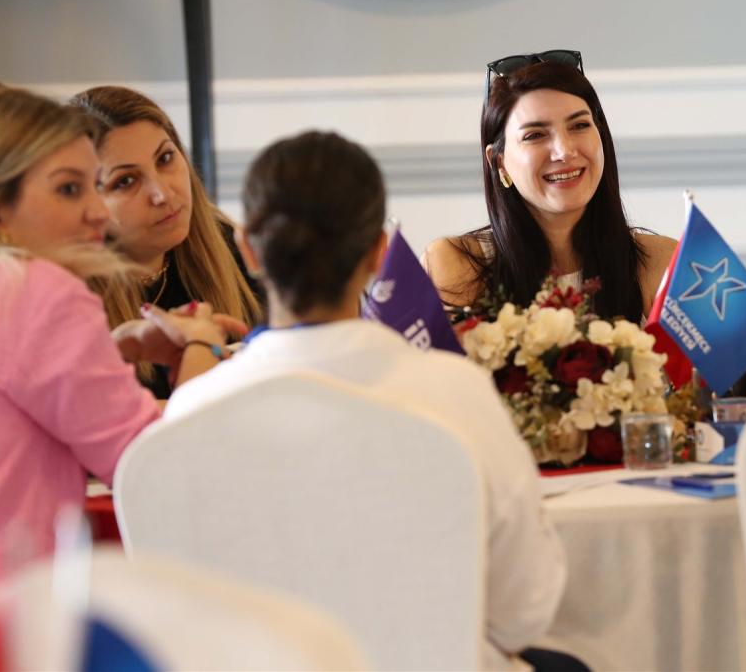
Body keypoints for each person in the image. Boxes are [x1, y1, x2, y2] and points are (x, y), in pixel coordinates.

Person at [164, 131, 568, 670]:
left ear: (248, 249)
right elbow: (526, 610)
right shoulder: (455, 392)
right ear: (379, 253)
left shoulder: (189, 414)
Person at [0, 86, 241, 582]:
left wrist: (108, 351)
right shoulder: (38, 292)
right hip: (12, 599)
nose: (99, 212)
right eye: (69, 189)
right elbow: (159, 472)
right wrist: (201, 345)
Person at [425, 51, 676, 322]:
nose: (564, 151)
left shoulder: (663, 264)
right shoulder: (455, 265)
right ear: (499, 162)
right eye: (535, 135)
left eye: (579, 125)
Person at [69, 86, 263, 397]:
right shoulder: (65, 296)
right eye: (126, 181)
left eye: (165, 158)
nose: (162, 194)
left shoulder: (231, 243)